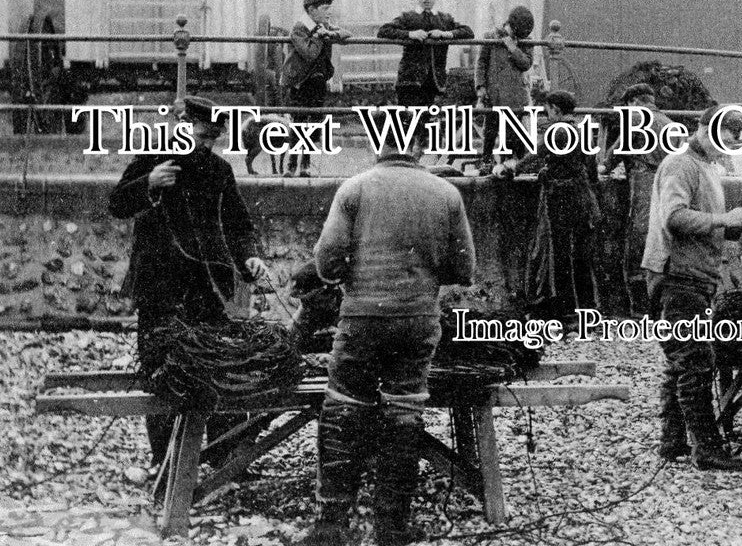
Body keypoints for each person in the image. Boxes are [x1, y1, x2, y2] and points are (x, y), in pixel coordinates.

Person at [300, 114, 475, 546]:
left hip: (362, 318)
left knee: (344, 405)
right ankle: (392, 527)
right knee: (404, 410)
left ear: (378, 144)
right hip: (417, 320)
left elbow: (326, 263)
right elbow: (464, 269)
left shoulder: (355, 188)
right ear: (420, 146)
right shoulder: (446, 193)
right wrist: (421, 276)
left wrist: (357, 277)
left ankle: (331, 526)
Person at [109, 96, 270, 468]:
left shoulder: (218, 170)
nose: (206, 145)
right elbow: (117, 203)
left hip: (204, 287)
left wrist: (249, 257)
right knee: (162, 372)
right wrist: (149, 183)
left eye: (213, 138)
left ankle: (223, 458)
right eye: (202, 136)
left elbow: (239, 225)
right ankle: (166, 461)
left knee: (219, 369)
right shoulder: (153, 157)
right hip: (158, 286)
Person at [642, 105, 742, 470]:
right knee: (695, 361)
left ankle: (673, 440)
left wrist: (737, 226)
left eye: (735, 143)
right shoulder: (680, 164)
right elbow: (674, 217)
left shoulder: (707, 166)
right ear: (704, 128)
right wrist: (724, 218)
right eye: (724, 139)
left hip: (696, 276)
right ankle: (708, 449)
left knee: (681, 360)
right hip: (677, 277)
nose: (728, 148)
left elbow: (706, 223)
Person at [517, 90, 601, 324]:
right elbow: (591, 167)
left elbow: (536, 153)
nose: (547, 115)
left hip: (563, 198)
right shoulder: (582, 129)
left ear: (555, 109)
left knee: (561, 256)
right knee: (582, 257)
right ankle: (589, 309)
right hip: (584, 196)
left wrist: (513, 167)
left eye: (548, 111)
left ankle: (567, 312)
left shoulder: (559, 130)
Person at [603, 83, 674, 316]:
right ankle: (662, 306)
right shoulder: (669, 122)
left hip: (644, 182)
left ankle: (640, 308)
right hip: (669, 183)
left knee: (639, 240)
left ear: (634, 102)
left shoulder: (635, 118)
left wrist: (605, 166)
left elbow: (616, 151)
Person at [280, 0, 350, 177]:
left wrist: (330, 33)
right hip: (300, 83)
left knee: (314, 123)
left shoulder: (323, 25)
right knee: (299, 122)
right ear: (311, 10)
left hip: (317, 82)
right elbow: (309, 53)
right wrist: (320, 36)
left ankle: (306, 164)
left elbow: (346, 34)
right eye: (325, 9)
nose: (329, 12)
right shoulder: (300, 28)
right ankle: (291, 165)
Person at [377, 0, 474, 108]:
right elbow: (384, 31)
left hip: (434, 80)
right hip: (410, 79)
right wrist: (410, 34)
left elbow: (468, 32)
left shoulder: (444, 19)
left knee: (427, 115)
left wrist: (444, 34)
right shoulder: (407, 17)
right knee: (408, 115)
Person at [474, 5, 536, 172]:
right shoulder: (490, 37)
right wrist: (480, 87)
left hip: (516, 96)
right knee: (490, 131)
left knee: (512, 134)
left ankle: (510, 167)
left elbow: (526, 64)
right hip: (494, 94)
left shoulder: (526, 41)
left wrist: (512, 47)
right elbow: (481, 63)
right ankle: (486, 163)